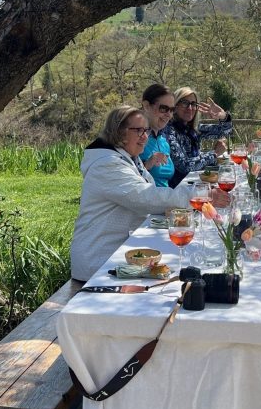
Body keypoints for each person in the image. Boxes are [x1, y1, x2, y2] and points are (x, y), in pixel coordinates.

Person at [70, 105, 229, 281]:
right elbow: (145, 197)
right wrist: (197, 195)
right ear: (119, 132)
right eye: (138, 131)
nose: (145, 136)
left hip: (122, 255)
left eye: (146, 130)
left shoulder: (129, 157)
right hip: (97, 263)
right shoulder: (107, 164)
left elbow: (152, 193)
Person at [164, 88, 233, 187]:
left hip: (195, 183)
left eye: (193, 104)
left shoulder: (192, 129)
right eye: (185, 103)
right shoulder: (168, 130)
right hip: (178, 190)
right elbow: (184, 166)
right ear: (175, 105)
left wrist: (223, 116)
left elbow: (226, 132)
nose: (190, 108)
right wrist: (214, 153)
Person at [139, 83, 176, 186]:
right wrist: (147, 165)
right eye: (163, 108)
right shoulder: (135, 139)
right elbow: (125, 181)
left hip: (167, 200)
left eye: (172, 110)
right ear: (146, 106)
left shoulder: (164, 142)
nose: (169, 114)